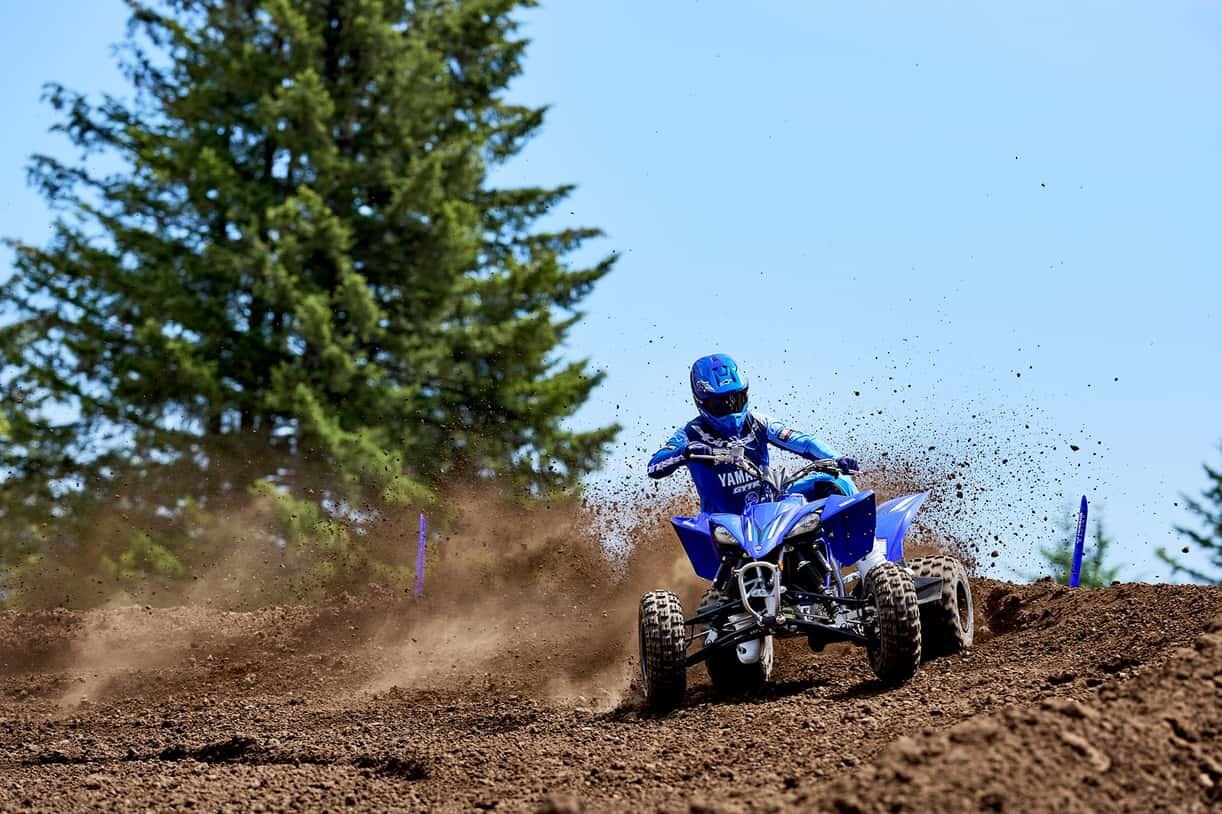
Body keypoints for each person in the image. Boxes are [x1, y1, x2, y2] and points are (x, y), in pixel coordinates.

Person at [647, 354, 858, 514]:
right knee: (694, 532)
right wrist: (684, 453)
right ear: (701, 402)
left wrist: (835, 457)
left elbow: (804, 442)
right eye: (720, 404)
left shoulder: (760, 422)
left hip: (770, 508)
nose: (730, 409)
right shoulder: (689, 433)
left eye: (736, 400)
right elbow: (654, 466)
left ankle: (868, 553)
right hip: (723, 522)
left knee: (836, 481)